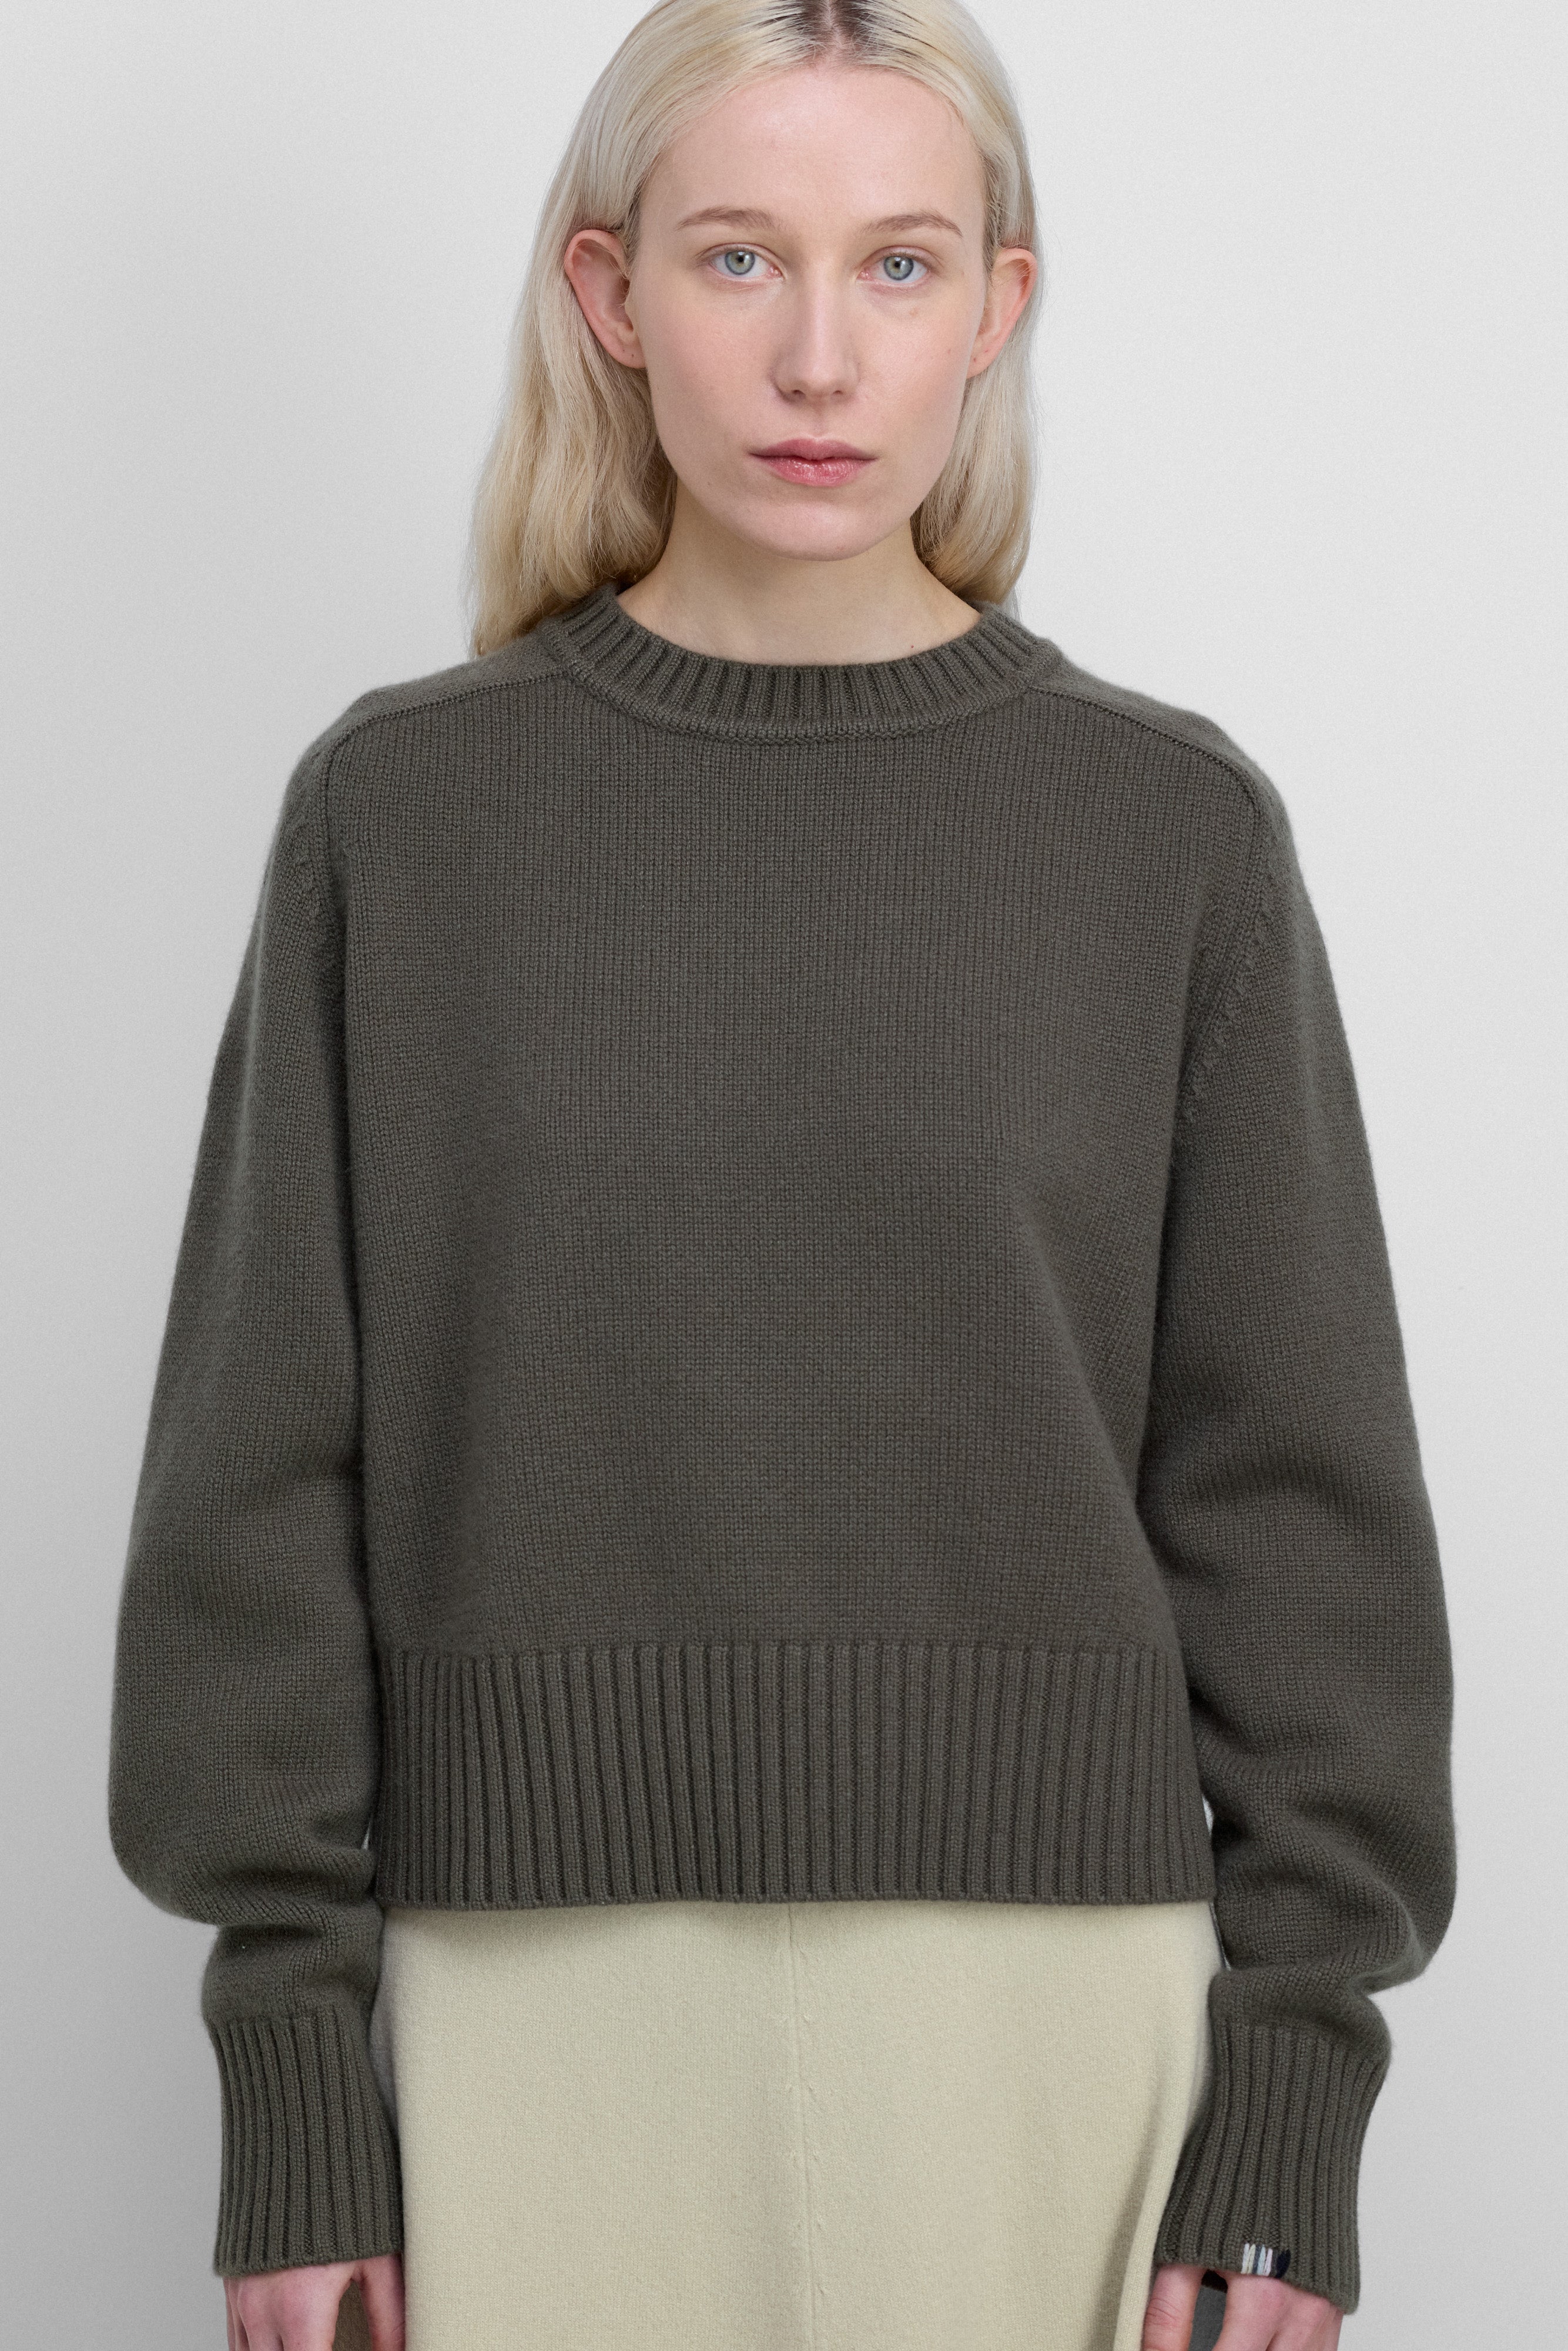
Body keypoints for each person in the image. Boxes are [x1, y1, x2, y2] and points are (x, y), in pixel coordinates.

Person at [107, 4, 1456, 2348]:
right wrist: (294, 2075)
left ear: (996, 307)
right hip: (523, 2021)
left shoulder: (1165, 836)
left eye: (898, 265)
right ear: (612, 295)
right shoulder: (402, 823)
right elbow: (257, 1481)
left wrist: (1292, 2100)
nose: (819, 356)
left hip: (1056, 2028)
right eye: (739, 258)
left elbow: (1297, 1505)